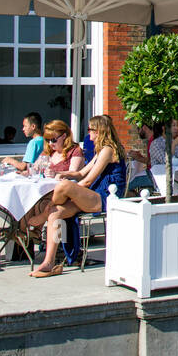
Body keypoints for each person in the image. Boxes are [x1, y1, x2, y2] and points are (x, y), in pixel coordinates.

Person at [31, 114, 128, 277]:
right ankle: (49, 262)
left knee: (63, 187)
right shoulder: (100, 151)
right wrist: (60, 173)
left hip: (106, 197)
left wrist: (70, 190)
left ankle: (43, 215)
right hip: (94, 195)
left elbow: (88, 180)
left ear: (99, 131)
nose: (88, 133)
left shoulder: (108, 150)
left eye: (90, 130)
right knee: (57, 212)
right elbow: (80, 173)